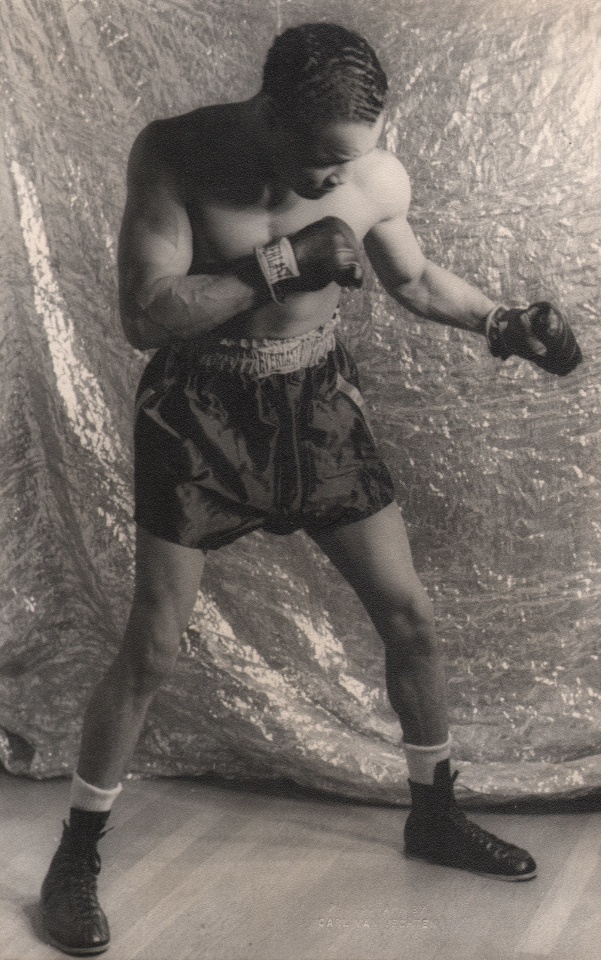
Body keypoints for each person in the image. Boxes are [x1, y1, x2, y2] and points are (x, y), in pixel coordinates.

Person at [40, 22, 582, 956]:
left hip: (319, 404)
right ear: (270, 115)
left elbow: (410, 281)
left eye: (355, 162)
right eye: (322, 162)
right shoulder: (176, 154)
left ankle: (432, 814)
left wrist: (502, 321)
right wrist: (280, 264)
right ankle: (76, 853)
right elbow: (144, 313)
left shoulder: (367, 174)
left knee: (409, 617)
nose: (338, 183)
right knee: (154, 647)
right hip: (200, 413)